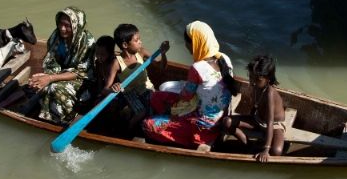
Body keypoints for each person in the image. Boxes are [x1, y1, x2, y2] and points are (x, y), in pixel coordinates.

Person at [142, 21, 239, 150]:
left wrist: (184, 88)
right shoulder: (224, 58)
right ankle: (169, 118)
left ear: (195, 43)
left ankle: (185, 138)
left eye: (187, 43)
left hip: (202, 127)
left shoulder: (197, 68)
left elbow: (186, 97)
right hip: (219, 116)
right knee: (156, 97)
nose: (186, 47)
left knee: (147, 125)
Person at [29, 6, 95, 124]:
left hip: (82, 80)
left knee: (53, 87)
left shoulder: (87, 42)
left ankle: (67, 116)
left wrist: (50, 78)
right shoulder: (57, 36)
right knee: (37, 82)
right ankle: (50, 113)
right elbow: (50, 61)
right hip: (60, 73)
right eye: (60, 24)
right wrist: (43, 76)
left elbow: (80, 72)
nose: (62, 28)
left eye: (67, 26)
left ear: (76, 26)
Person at [223, 55, 286, 162]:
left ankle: (263, 147)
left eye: (257, 79)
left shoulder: (270, 93)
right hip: (258, 120)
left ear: (267, 78)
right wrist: (250, 120)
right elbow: (255, 106)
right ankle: (248, 145)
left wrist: (266, 149)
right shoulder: (256, 86)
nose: (253, 81)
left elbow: (270, 122)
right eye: (251, 77)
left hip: (274, 125)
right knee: (227, 121)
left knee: (276, 152)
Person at [105, 23, 170, 128]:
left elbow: (161, 67)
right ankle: (129, 130)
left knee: (160, 108)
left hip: (148, 88)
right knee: (142, 113)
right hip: (131, 93)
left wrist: (163, 53)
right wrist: (113, 89)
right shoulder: (116, 63)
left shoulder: (141, 52)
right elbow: (105, 89)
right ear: (125, 45)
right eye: (136, 40)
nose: (140, 42)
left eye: (139, 39)